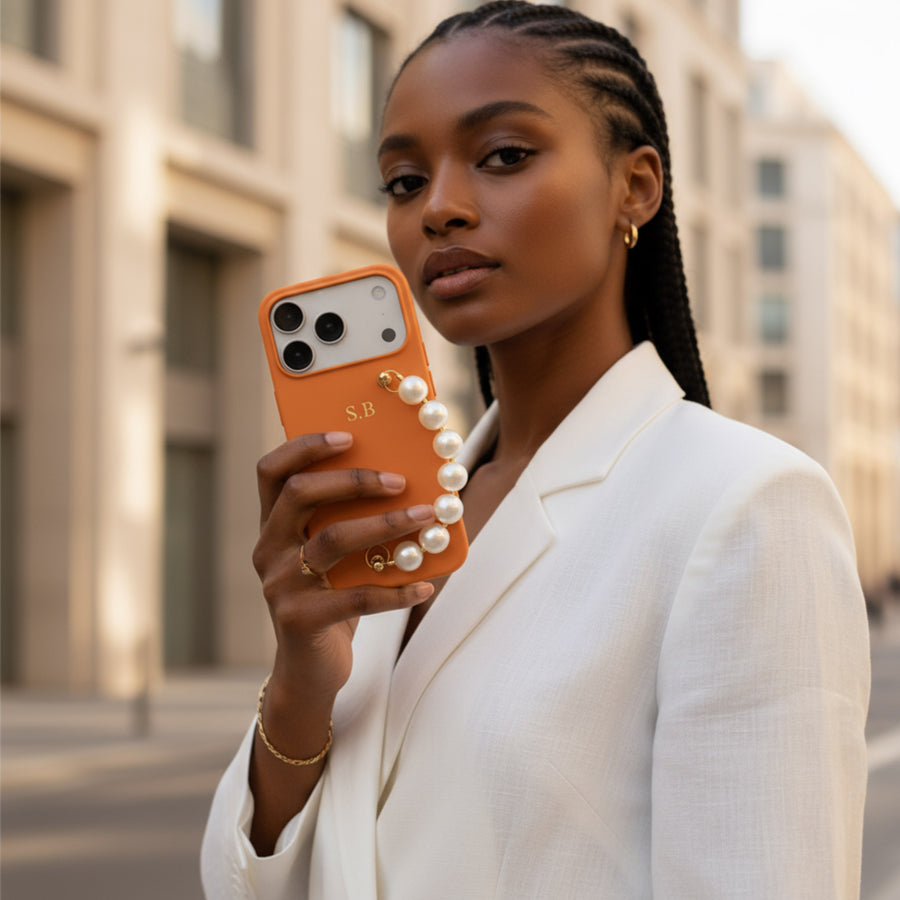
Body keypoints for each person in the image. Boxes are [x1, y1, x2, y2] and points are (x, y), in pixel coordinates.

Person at [201, 3, 870, 897]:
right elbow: (242, 881)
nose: (438, 208)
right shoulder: (396, 519)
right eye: (403, 180)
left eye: (504, 156)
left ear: (634, 187)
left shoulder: (747, 504)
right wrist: (302, 677)